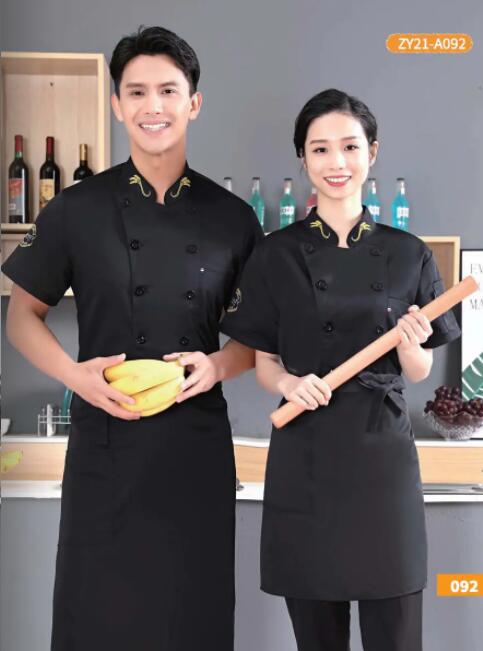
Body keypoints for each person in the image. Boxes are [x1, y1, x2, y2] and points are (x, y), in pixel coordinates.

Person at [2, 26, 263, 651]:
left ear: (193, 103)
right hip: (106, 452)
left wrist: (217, 366)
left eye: (168, 90)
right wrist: (75, 376)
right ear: (117, 104)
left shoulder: (233, 218)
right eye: (137, 92)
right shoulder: (76, 209)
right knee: (98, 622)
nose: (154, 106)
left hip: (194, 453)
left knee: (192, 623)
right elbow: (21, 316)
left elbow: (258, 338)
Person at [220, 88, 461, 651]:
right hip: (306, 453)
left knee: (396, 634)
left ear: (372, 153)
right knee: (317, 637)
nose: (337, 162)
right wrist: (290, 383)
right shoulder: (275, 254)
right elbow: (264, 363)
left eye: (350, 147)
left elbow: (418, 371)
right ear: (303, 158)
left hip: (382, 459)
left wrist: (410, 342)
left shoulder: (409, 253)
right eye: (320, 149)